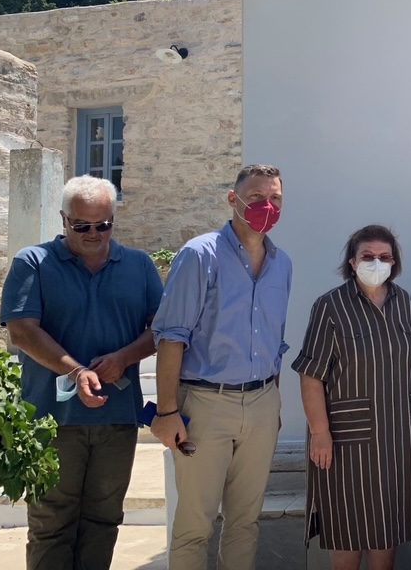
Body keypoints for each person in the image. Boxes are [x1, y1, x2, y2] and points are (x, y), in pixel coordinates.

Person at [1, 175, 162, 570]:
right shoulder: (33, 263)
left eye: (103, 225)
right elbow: (22, 331)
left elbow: (162, 330)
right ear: (64, 219)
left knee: (104, 521)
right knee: (51, 524)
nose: (94, 234)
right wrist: (75, 372)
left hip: (117, 417)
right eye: (82, 225)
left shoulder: (139, 265)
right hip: (51, 418)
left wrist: (123, 358)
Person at [150, 164, 293, 570]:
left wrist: (273, 403)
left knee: (245, 522)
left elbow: (275, 341)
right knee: (195, 526)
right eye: (257, 197)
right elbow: (171, 337)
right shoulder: (200, 255)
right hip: (205, 405)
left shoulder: (282, 264)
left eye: (275, 198)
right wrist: (166, 411)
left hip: (262, 403)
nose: (267, 205)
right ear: (234, 199)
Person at [293, 225, 411, 570]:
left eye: (384, 256)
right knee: (347, 526)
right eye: (368, 256)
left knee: (388, 525)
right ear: (353, 262)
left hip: (397, 436)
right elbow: (311, 375)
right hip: (345, 441)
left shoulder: (404, 303)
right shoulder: (330, 306)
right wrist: (320, 432)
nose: (376, 262)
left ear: (394, 262)